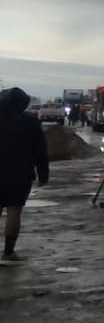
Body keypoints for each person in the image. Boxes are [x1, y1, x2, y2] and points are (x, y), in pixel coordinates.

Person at [0, 88, 50, 262]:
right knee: (14, 211)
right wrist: (43, 174)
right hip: (20, 175)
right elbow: (40, 151)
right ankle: (8, 252)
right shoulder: (30, 123)